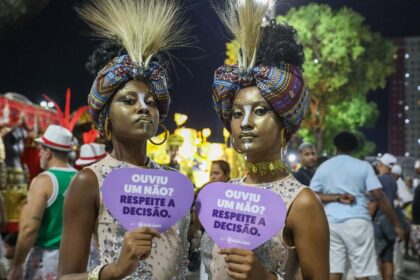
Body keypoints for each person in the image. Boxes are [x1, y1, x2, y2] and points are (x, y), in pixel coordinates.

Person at [58, 0, 192, 279]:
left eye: (152, 102)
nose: (144, 108)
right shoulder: (89, 181)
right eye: (128, 100)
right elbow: (67, 276)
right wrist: (115, 270)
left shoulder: (175, 182)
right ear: (106, 116)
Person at [201, 1, 329, 279]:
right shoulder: (222, 194)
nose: (245, 122)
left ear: (285, 123)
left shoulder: (302, 202)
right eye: (236, 113)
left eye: (260, 111)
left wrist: (263, 277)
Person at [310, 132, 404, 280]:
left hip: (331, 224)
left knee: (334, 270)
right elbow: (379, 196)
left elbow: (312, 196)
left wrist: (336, 197)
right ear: (354, 148)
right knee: (362, 272)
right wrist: (396, 225)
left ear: (336, 147)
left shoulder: (324, 167)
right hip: (358, 222)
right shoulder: (363, 166)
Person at [8, 125, 77, 280]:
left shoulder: (44, 181)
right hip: (79, 260)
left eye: (40, 150)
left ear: (48, 153)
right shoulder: (83, 178)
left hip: (48, 261)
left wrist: (17, 265)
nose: (38, 154)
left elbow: (28, 230)